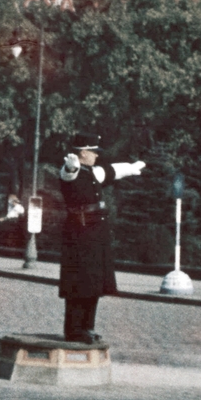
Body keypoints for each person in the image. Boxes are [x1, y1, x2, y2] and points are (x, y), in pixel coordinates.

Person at [57, 133, 144, 344]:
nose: (97, 155)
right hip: (80, 233)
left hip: (95, 234)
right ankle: (74, 329)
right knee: (79, 282)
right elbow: (69, 174)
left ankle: (87, 326)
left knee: (94, 282)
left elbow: (113, 171)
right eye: (93, 152)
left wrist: (133, 168)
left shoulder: (93, 172)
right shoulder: (73, 171)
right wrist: (70, 167)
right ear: (83, 152)